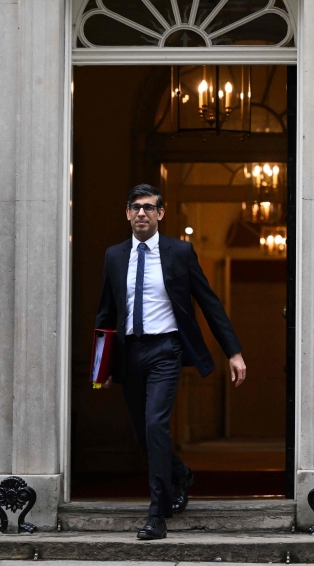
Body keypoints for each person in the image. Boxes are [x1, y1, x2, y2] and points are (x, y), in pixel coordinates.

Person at [96, 183, 247, 540]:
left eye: (149, 207)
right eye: (136, 207)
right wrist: (99, 369)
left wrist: (234, 352)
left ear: (161, 213)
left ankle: (157, 512)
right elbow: (105, 313)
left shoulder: (180, 252)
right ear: (127, 213)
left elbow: (209, 303)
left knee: (154, 425)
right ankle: (178, 472)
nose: (142, 214)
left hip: (166, 350)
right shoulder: (115, 256)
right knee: (142, 433)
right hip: (129, 354)